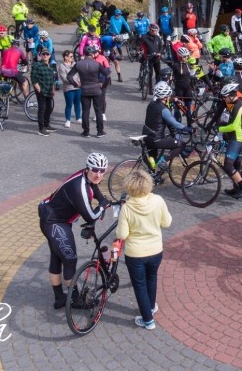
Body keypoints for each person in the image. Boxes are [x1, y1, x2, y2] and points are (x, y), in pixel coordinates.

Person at [38, 152, 110, 309]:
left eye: (102, 170)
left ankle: (59, 298)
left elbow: (94, 187)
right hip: (55, 223)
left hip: (51, 218)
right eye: (95, 169)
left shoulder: (85, 176)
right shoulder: (79, 189)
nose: (98, 174)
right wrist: (102, 206)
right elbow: (90, 216)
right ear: (88, 168)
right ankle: (76, 299)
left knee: (57, 258)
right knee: (70, 260)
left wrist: (102, 199)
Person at [116, 169, 172, 330]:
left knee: (139, 285)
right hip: (155, 250)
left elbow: (122, 234)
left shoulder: (127, 208)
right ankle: (151, 307)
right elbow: (166, 223)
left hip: (135, 253)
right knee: (151, 278)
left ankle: (148, 320)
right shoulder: (158, 200)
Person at [142, 82, 191, 171]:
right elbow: (174, 123)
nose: (170, 97)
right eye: (169, 96)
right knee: (181, 145)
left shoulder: (151, 104)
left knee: (152, 158)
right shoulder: (163, 109)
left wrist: (174, 100)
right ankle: (163, 161)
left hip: (147, 136)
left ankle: (154, 176)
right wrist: (187, 129)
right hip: (156, 139)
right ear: (165, 97)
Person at [68, 44, 110, 137]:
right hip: (96, 89)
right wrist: (103, 86)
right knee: (98, 111)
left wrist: (76, 84)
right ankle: (100, 131)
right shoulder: (97, 64)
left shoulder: (78, 64)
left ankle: (86, 132)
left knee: (85, 111)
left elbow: (69, 76)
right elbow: (108, 75)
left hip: (84, 90)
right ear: (93, 54)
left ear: (84, 54)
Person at [216, 82, 242, 198]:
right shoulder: (232, 104)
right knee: (235, 164)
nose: (224, 99)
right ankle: (236, 187)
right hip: (233, 137)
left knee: (228, 165)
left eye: (225, 96)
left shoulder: (238, 106)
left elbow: (235, 126)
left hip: (238, 138)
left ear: (231, 95)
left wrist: (220, 128)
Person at [31, 48, 57, 136]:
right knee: (42, 108)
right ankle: (41, 128)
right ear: (41, 55)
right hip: (41, 89)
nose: (45, 55)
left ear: (49, 56)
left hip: (49, 89)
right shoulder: (37, 65)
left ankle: (47, 124)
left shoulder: (51, 66)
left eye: (47, 54)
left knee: (49, 108)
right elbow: (33, 77)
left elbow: (52, 79)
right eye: (43, 54)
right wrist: (38, 88)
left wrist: (53, 88)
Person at [57, 50, 81, 128]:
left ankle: (78, 117)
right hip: (69, 88)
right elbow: (64, 78)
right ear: (65, 57)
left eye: (72, 56)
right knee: (69, 104)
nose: (72, 58)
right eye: (70, 56)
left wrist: (79, 82)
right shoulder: (62, 66)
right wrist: (75, 83)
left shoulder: (75, 64)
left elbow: (80, 74)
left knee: (77, 103)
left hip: (77, 88)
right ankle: (68, 120)